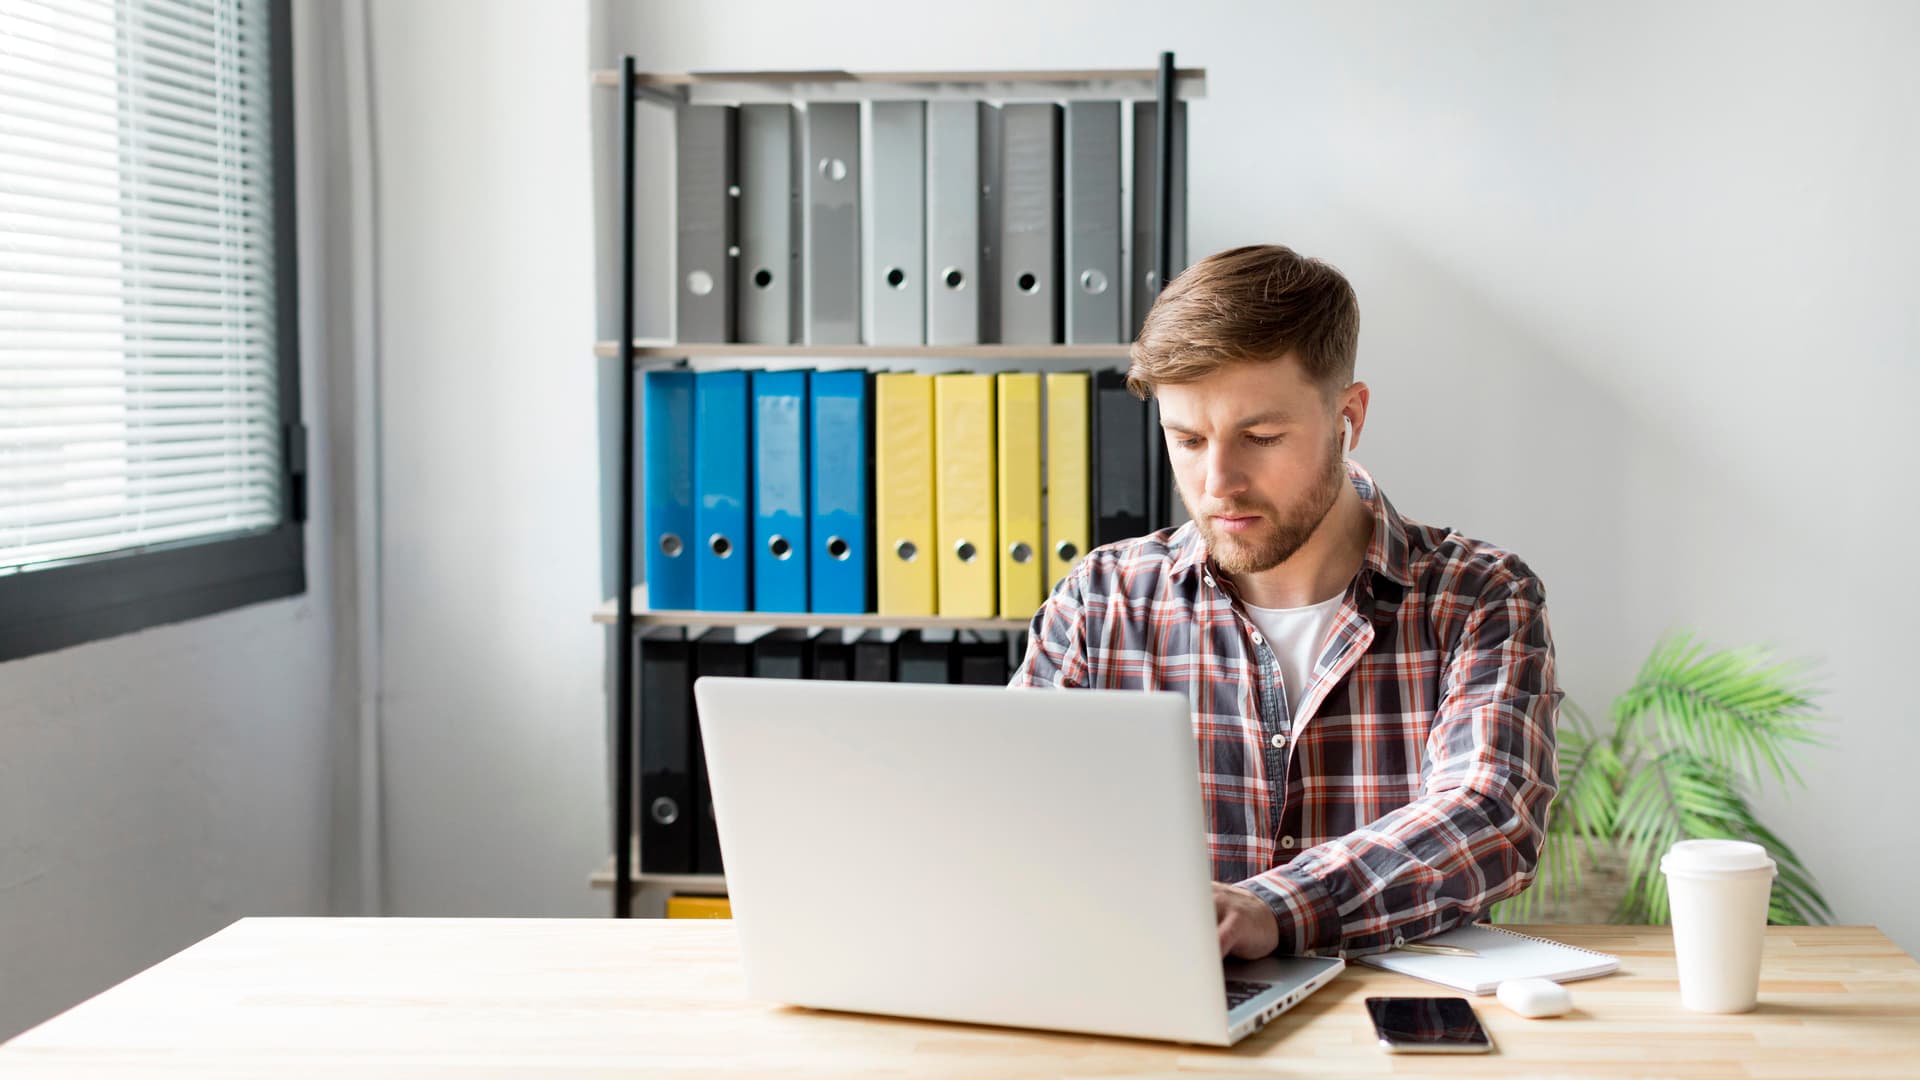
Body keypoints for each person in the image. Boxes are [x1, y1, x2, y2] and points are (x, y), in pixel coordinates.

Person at [1012, 244, 1561, 961]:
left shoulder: (1478, 596)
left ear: (1348, 416)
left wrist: (1277, 908)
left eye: (1261, 437)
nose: (1219, 482)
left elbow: (1490, 815)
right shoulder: (1101, 601)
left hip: (1381, 1028)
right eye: (1188, 440)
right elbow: (1012, 812)